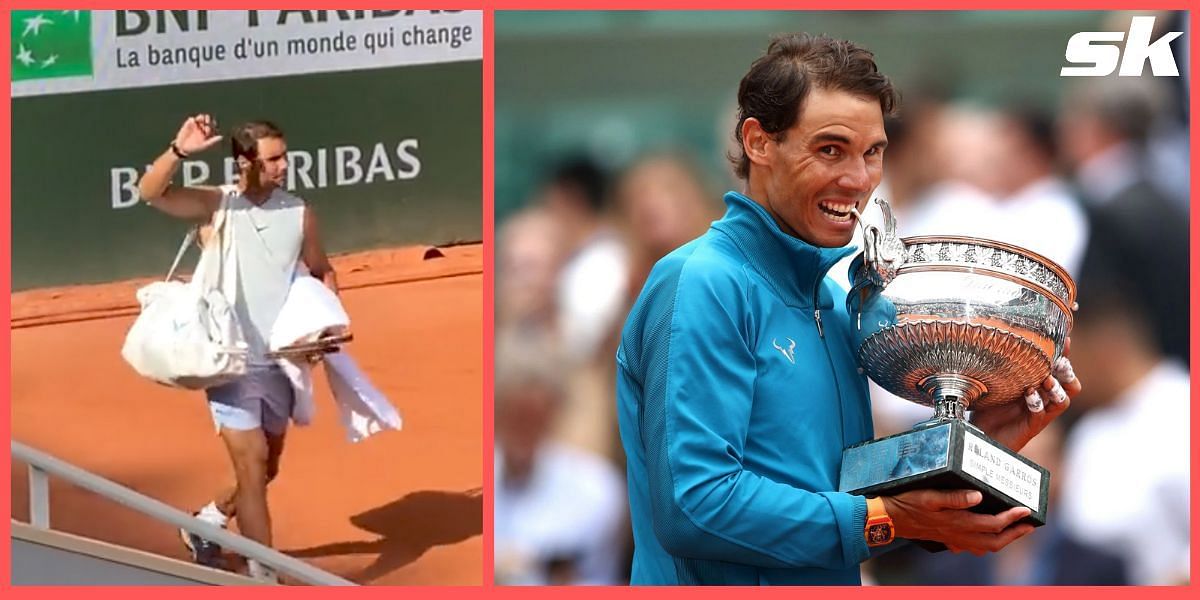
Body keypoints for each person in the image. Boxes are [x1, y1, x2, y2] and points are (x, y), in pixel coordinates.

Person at [614, 33, 1081, 586]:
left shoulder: (836, 300)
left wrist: (977, 447)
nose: (858, 180)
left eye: (872, 152)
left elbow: (844, 499)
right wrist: (885, 520)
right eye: (830, 150)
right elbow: (696, 504)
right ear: (759, 142)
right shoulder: (702, 283)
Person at [137, 114, 338, 580]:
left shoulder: (298, 212)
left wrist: (326, 324)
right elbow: (150, 193)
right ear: (244, 162)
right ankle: (263, 574)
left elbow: (323, 270)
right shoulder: (218, 204)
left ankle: (207, 521)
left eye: (284, 156)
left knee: (267, 469)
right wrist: (179, 151)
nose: (283, 165)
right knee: (252, 467)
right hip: (229, 361)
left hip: (280, 362)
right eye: (272, 159)